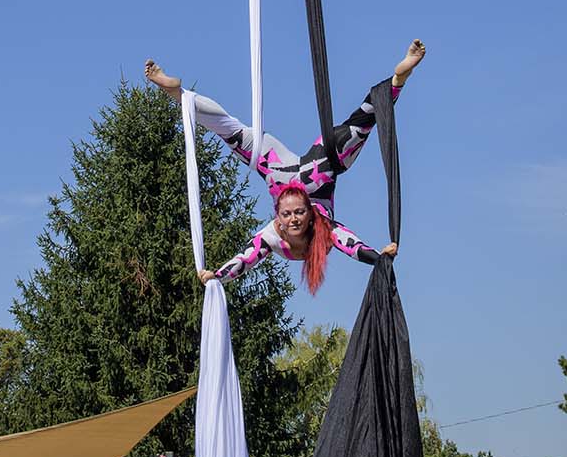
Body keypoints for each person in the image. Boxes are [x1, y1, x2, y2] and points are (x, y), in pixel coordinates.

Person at [144, 42, 425, 292]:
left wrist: (215, 276)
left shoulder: (272, 237)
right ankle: (398, 79)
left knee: (230, 131)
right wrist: (380, 257)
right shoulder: (323, 231)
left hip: (279, 173)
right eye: (295, 215)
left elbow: (244, 260)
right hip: (317, 176)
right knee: (357, 127)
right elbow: (351, 245)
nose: (292, 219)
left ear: (277, 217)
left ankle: (179, 95)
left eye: (293, 214)